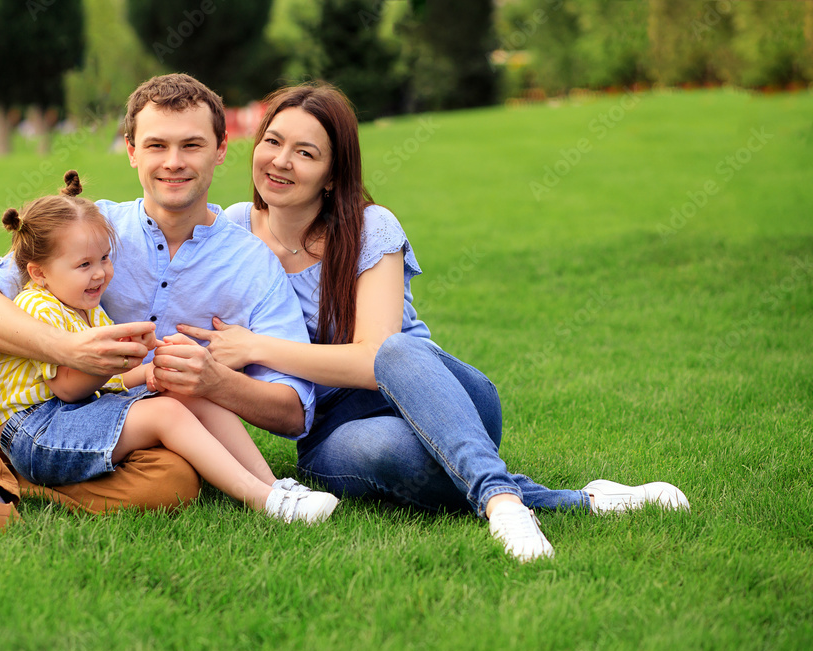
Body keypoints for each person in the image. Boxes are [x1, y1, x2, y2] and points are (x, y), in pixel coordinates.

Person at [175, 82, 691, 562]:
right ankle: (560, 501)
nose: (280, 162)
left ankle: (502, 502)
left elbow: (374, 359)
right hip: (335, 433)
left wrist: (255, 348)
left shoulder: (370, 227)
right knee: (395, 454)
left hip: (440, 390)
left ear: (333, 173)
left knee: (393, 351)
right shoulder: (232, 230)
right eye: (273, 141)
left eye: (306, 152)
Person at [0, 74, 319, 538]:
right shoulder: (91, 227)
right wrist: (66, 350)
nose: (173, 163)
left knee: (173, 481)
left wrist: (217, 383)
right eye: (156, 145)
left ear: (220, 149)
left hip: (122, 421)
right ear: (132, 150)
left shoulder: (252, 262)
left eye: (191, 145)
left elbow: (295, 411)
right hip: (32, 401)